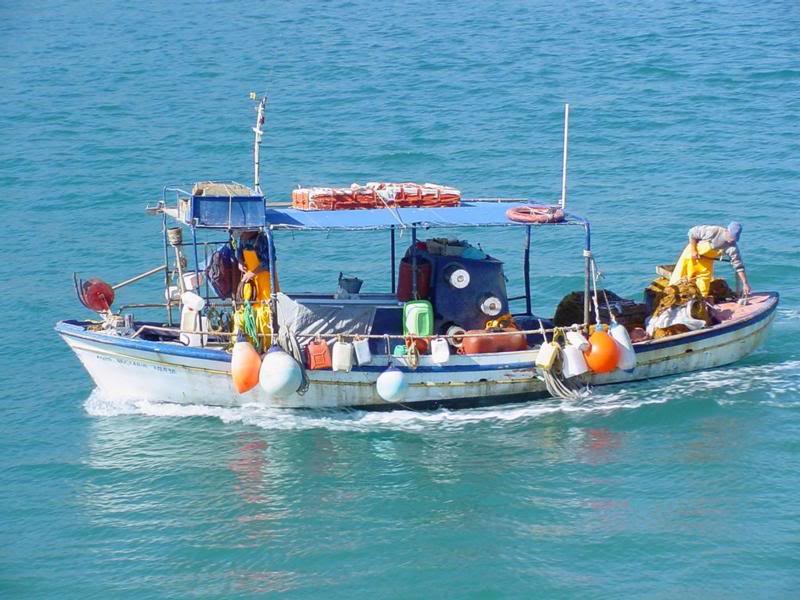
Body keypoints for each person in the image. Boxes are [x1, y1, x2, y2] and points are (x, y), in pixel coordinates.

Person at [669, 222, 751, 297]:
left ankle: (700, 304)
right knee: (680, 280)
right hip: (691, 257)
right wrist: (694, 250)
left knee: (703, 288)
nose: (731, 240)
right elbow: (692, 233)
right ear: (726, 231)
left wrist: (745, 283)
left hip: (706, 262)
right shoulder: (713, 231)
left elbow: (738, 266)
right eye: (731, 237)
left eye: (734, 239)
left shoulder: (732, 248)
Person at [235, 230, 278, 302]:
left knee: (266, 303)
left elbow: (268, 262)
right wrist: (240, 262)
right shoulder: (243, 238)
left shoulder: (263, 240)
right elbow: (239, 252)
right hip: (249, 278)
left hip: (265, 279)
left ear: (252, 230)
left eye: (243, 231)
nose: (241, 233)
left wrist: (252, 273)